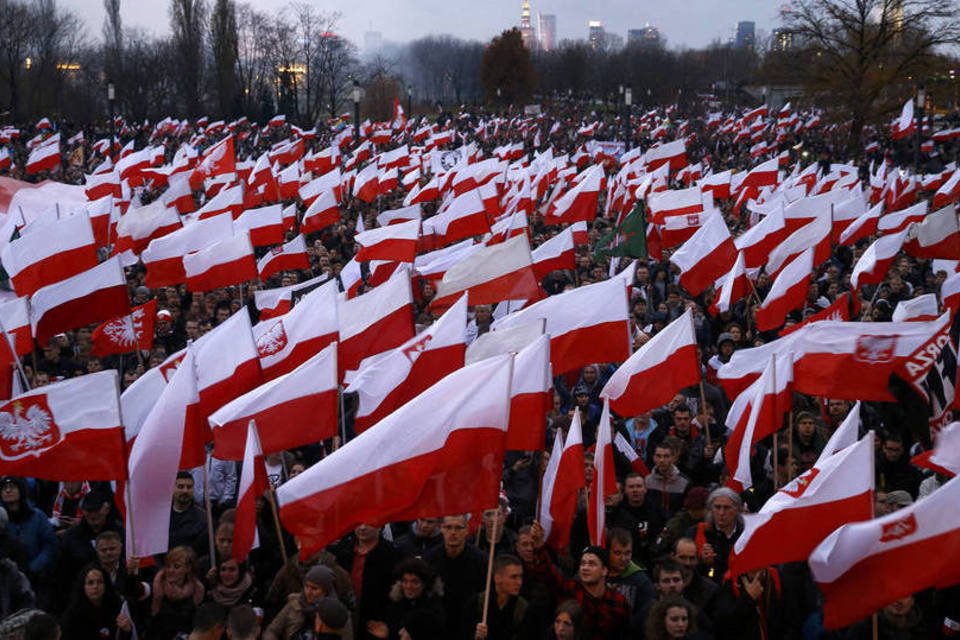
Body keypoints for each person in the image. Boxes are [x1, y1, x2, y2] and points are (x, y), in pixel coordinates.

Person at [524, 522, 629, 640]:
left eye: (592, 564)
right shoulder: (569, 590)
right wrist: (539, 547)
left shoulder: (619, 602)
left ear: (604, 570)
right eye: (583, 563)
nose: (585, 568)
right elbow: (548, 573)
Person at [331, 524, 398, 640]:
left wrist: (390, 626)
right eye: (358, 523)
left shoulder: (392, 556)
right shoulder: (342, 551)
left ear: (380, 525)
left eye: (369, 523)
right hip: (344, 622)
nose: (362, 528)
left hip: (374, 626)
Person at [424, 515, 487, 637]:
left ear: (466, 530)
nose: (453, 532)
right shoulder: (429, 559)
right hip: (436, 628)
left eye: (458, 528)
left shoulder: (482, 561)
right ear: (441, 528)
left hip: (469, 626)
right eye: (448, 527)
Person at [266, 565, 353, 640]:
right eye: (306, 586)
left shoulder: (337, 613)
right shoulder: (294, 603)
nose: (308, 592)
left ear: (326, 590)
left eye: (314, 588)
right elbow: (272, 630)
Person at [367, 558, 444, 640]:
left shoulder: (434, 610)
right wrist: (389, 634)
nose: (408, 586)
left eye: (415, 582)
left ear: (424, 584)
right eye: (405, 581)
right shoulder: (395, 607)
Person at [0, 476, 58, 582]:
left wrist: (34, 567)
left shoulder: (37, 516)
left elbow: (50, 545)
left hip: (36, 577)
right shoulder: (1, 518)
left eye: (12, 487)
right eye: (4, 488)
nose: (8, 490)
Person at [464, 554, 534, 640]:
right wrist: (475, 636)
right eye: (514, 577)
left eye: (521, 577)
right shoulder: (477, 603)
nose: (519, 582)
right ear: (497, 578)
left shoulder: (523, 608)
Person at [59, 564, 132, 640]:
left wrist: (127, 630)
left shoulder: (116, 607)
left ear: (106, 585)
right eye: (90, 583)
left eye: (100, 582)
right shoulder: (72, 616)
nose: (95, 586)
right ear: (83, 586)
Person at [148, 546, 206, 640]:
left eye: (176, 566)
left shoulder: (197, 590)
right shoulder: (157, 587)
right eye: (168, 566)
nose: (170, 570)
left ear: (188, 568)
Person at [687, 488, 743, 583]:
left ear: (736, 509)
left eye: (726, 508)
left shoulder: (746, 533)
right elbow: (685, 568)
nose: (721, 513)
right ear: (711, 509)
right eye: (717, 507)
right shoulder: (696, 532)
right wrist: (702, 561)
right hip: (707, 588)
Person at [605, 528, 655, 627]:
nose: (623, 558)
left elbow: (645, 615)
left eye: (627, 553)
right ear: (607, 552)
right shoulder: (596, 575)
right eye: (617, 553)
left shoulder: (641, 581)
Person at [645, 441, 690, 522]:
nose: (662, 460)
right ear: (653, 458)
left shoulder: (684, 482)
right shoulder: (647, 481)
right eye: (658, 456)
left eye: (666, 456)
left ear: (674, 458)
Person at [170, 472, 209, 554]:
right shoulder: (162, 516)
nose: (185, 491)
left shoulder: (202, 519)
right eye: (180, 487)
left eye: (189, 487)